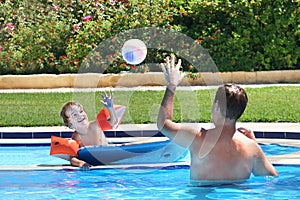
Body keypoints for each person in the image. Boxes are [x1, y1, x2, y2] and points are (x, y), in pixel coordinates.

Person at [157, 55, 278, 183]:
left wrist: (171, 85)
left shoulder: (197, 138)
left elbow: (163, 124)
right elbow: (271, 177)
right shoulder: (251, 147)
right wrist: (254, 144)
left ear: (217, 108)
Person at [60, 91, 118, 168]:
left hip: (107, 156)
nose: (80, 116)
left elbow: (113, 122)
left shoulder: (95, 125)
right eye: (74, 115)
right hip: (93, 162)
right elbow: (72, 158)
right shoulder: (76, 137)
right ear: (70, 124)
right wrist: (81, 163)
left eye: (81, 111)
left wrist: (110, 108)